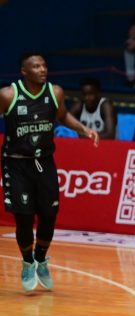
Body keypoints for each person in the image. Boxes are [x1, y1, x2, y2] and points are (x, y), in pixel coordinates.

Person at [1, 53, 99, 292]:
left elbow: (62, 115)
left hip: (44, 162)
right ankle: (27, 262)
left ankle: (41, 259)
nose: (42, 69)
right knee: (24, 218)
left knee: (49, 215)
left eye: (44, 65)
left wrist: (83, 129)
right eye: (36, 66)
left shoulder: (55, 93)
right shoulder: (8, 95)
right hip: (17, 164)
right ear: (24, 71)